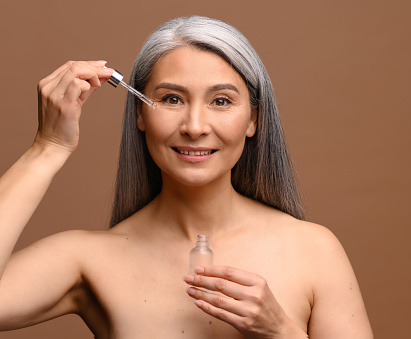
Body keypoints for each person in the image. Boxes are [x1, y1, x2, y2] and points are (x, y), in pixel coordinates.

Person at [0, 16, 372, 338]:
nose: (194, 127)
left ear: (254, 119)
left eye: (221, 101)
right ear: (139, 115)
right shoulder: (88, 260)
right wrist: (47, 148)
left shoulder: (314, 251)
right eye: (172, 99)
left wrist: (282, 332)